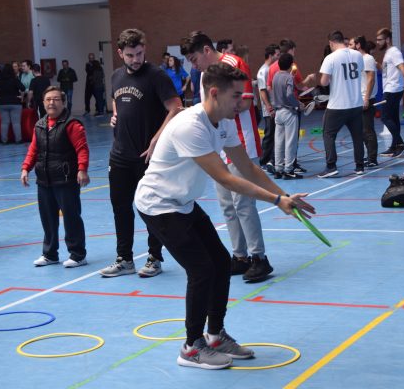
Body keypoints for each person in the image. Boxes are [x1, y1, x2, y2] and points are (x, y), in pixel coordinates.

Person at [135, 63, 315, 369]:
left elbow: (247, 168)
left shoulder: (225, 121)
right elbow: (227, 178)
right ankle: (192, 347)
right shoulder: (190, 126)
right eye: (236, 96)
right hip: (159, 204)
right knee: (202, 269)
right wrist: (275, 200)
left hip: (184, 202)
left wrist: (283, 196)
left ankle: (215, 335)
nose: (243, 102)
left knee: (220, 262)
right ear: (214, 93)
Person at [180, 30, 272, 281]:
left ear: (206, 51)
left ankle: (259, 258)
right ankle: (240, 256)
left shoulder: (233, 64)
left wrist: (222, 107)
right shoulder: (203, 76)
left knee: (243, 203)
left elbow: (246, 101)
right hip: (217, 147)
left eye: (194, 58)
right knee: (227, 206)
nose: (193, 64)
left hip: (241, 141)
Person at [99, 28, 182, 278]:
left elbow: (176, 107)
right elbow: (117, 100)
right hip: (120, 154)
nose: (136, 59)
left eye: (140, 53)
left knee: (151, 209)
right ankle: (124, 259)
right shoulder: (115, 76)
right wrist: (116, 115)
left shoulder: (156, 75)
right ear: (120, 53)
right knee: (120, 207)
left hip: (149, 156)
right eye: (130, 55)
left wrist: (158, 138)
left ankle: (154, 257)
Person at [21, 86, 90, 268]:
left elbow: (81, 149)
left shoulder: (72, 124)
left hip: (66, 179)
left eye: (56, 99)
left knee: (71, 217)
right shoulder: (40, 124)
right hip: (44, 180)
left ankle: (77, 254)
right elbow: (34, 149)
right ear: (43, 103)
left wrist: (82, 169)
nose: (51, 102)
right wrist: (25, 168)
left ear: (63, 102)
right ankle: (50, 254)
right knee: (48, 218)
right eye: (48, 99)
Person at [316, 31, 365, 178]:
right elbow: (359, 72)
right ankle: (360, 166)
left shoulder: (330, 58)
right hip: (356, 104)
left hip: (338, 105)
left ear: (331, 43)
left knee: (328, 134)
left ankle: (331, 166)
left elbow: (323, 82)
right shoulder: (357, 55)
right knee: (357, 136)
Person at [376, 28, 404, 158]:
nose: (377, 42)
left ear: (388, 39)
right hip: (391, 88)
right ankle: (394, 146)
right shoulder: (388, 53)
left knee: (385, 117)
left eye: (380, 39)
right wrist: (378, 65)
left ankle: (400, 143)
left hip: (393, 89)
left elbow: (402, 67)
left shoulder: (394, 52)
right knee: (394, 118)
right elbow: (387, 71)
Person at [270, 53, 304, 180]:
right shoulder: (288, 77)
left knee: (278, 142)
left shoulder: (275, 77)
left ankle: (278, 169)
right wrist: (298, 104)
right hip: (289, 112)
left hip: (278, 112)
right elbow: (290, 95)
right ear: (291, 65)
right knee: (290, 142)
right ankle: (288, 170)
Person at [349, 36, 379, 168]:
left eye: (350, 44)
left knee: (368, 130)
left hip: (366, 99)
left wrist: (366, 98)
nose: (348, 47)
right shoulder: (357, 60)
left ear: (358, 45)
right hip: (358, 99)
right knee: (361, 130)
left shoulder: (367, 58)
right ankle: (368, 156)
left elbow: (371, 79)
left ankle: (372, 158)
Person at [257, 43, 281, 173]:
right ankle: (264, 161)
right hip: (269, 109)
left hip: (275, 107)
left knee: (274, 134)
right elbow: (262, 91)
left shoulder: (271, 69)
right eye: (277, 55)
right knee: (269, 134)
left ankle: (273, 159)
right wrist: (269, 107)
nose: (279, 57)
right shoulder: (263, 71)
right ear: (271, 55)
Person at [0, 64, 26, 143]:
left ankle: (4, 140)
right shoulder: (14, 79)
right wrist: (21, 96)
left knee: (4, 123)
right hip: (15, 102)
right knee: (16, 123)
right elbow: (23, 88)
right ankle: (18, 140)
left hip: (2, 103)